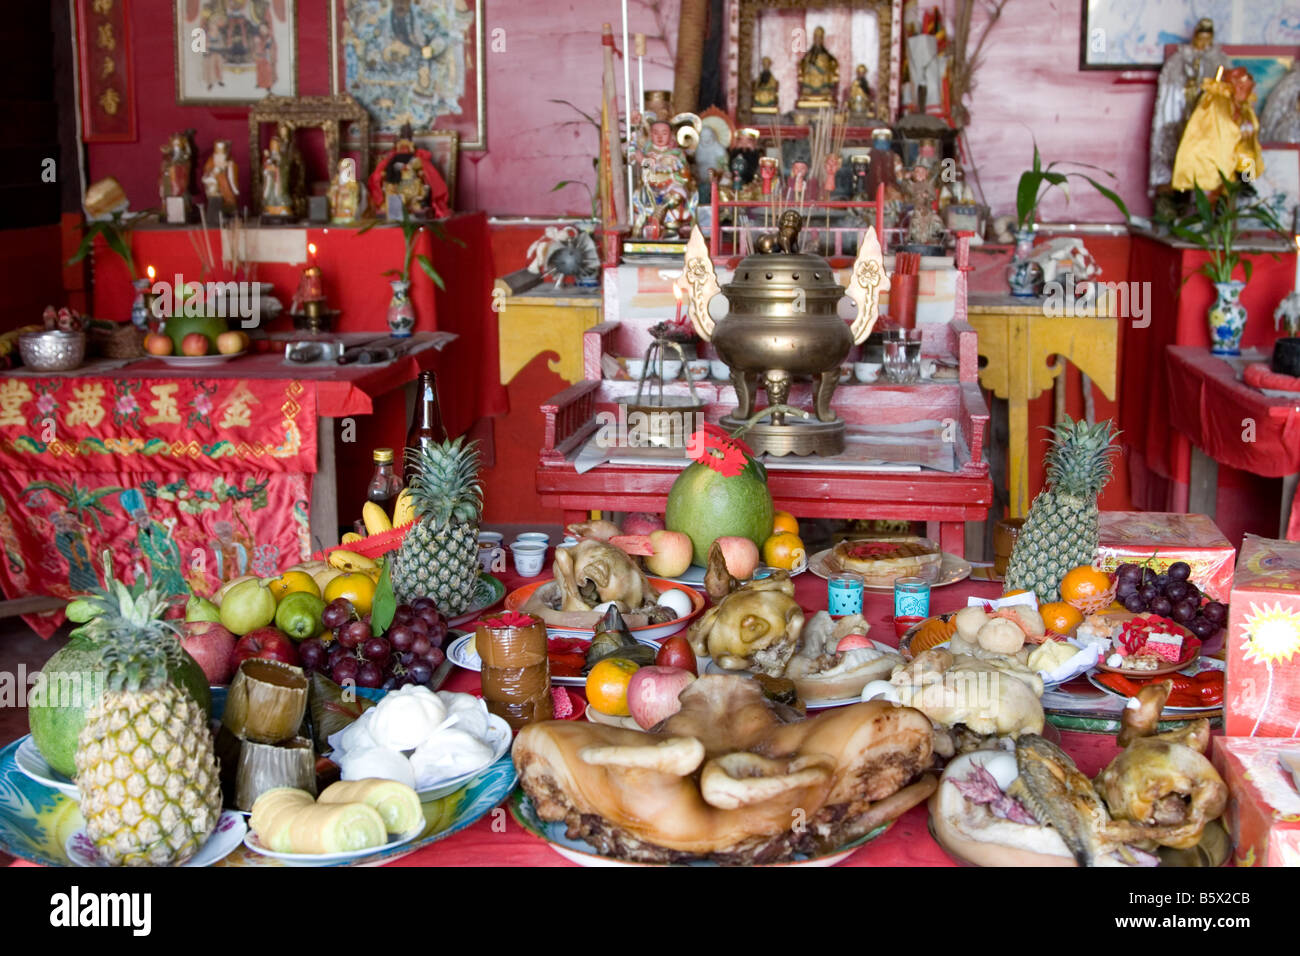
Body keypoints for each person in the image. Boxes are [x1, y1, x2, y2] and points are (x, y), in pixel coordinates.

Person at [1149, 18, 1231, 195]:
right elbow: (1169, 96)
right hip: (1183, 114)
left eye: (1207, 39)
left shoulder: (1220, 61)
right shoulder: (1178, 61)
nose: (1203, 43)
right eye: (1200, 38)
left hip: (1208, 121)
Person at [797, 26, 839, 107]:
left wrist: (820, 66)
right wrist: (808, 66)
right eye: (815, 37)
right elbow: (804, 64)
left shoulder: (826, 56)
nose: (817, 40)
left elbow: (830, 64)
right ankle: (809, 90)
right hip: (810, 78)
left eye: (819, 38)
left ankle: (824, 90)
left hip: (822, 78)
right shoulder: (809, 55)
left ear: (822, 39)